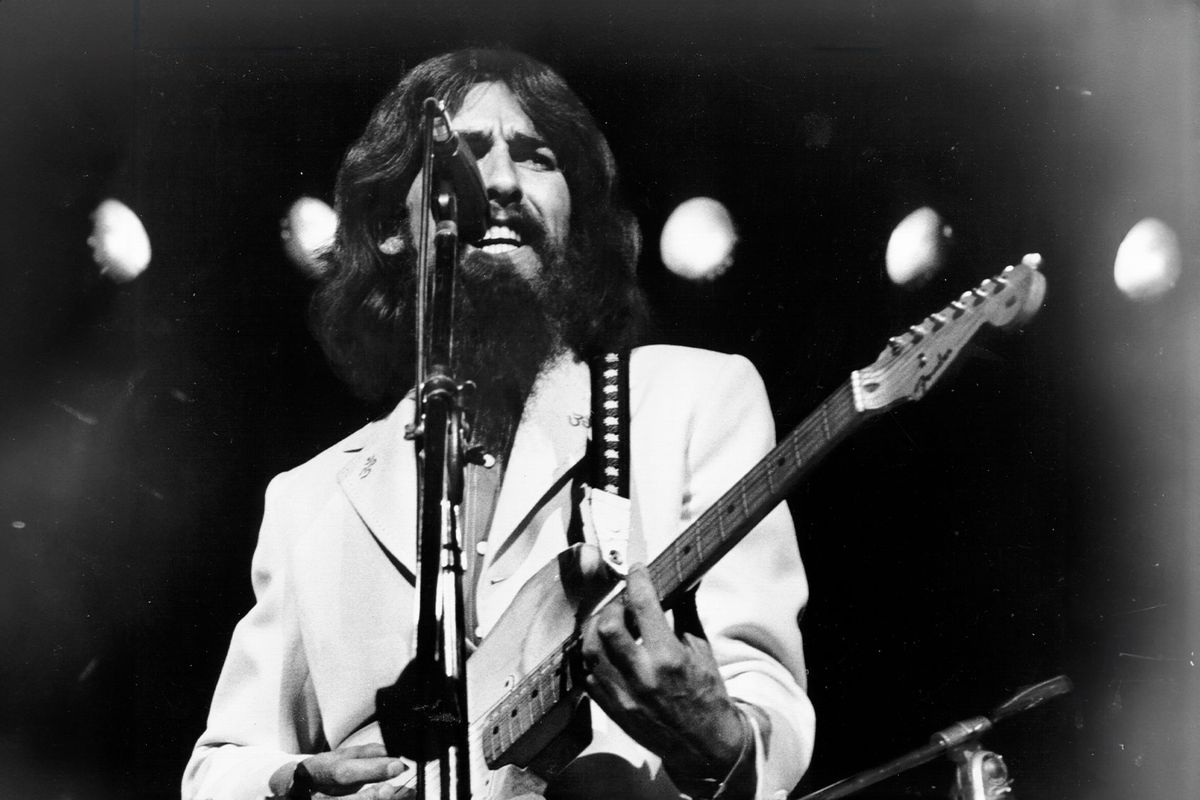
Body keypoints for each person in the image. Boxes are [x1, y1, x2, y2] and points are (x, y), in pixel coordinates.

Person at [183, 49, 814, 800]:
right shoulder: (307, 500)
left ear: (574, 215)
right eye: (467, 154)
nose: (506, 183)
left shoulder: (693, 400)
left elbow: (767, 701)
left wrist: (718, 739)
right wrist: (295, 781)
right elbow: (220, 764)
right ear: (392, 225)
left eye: (538, 157)